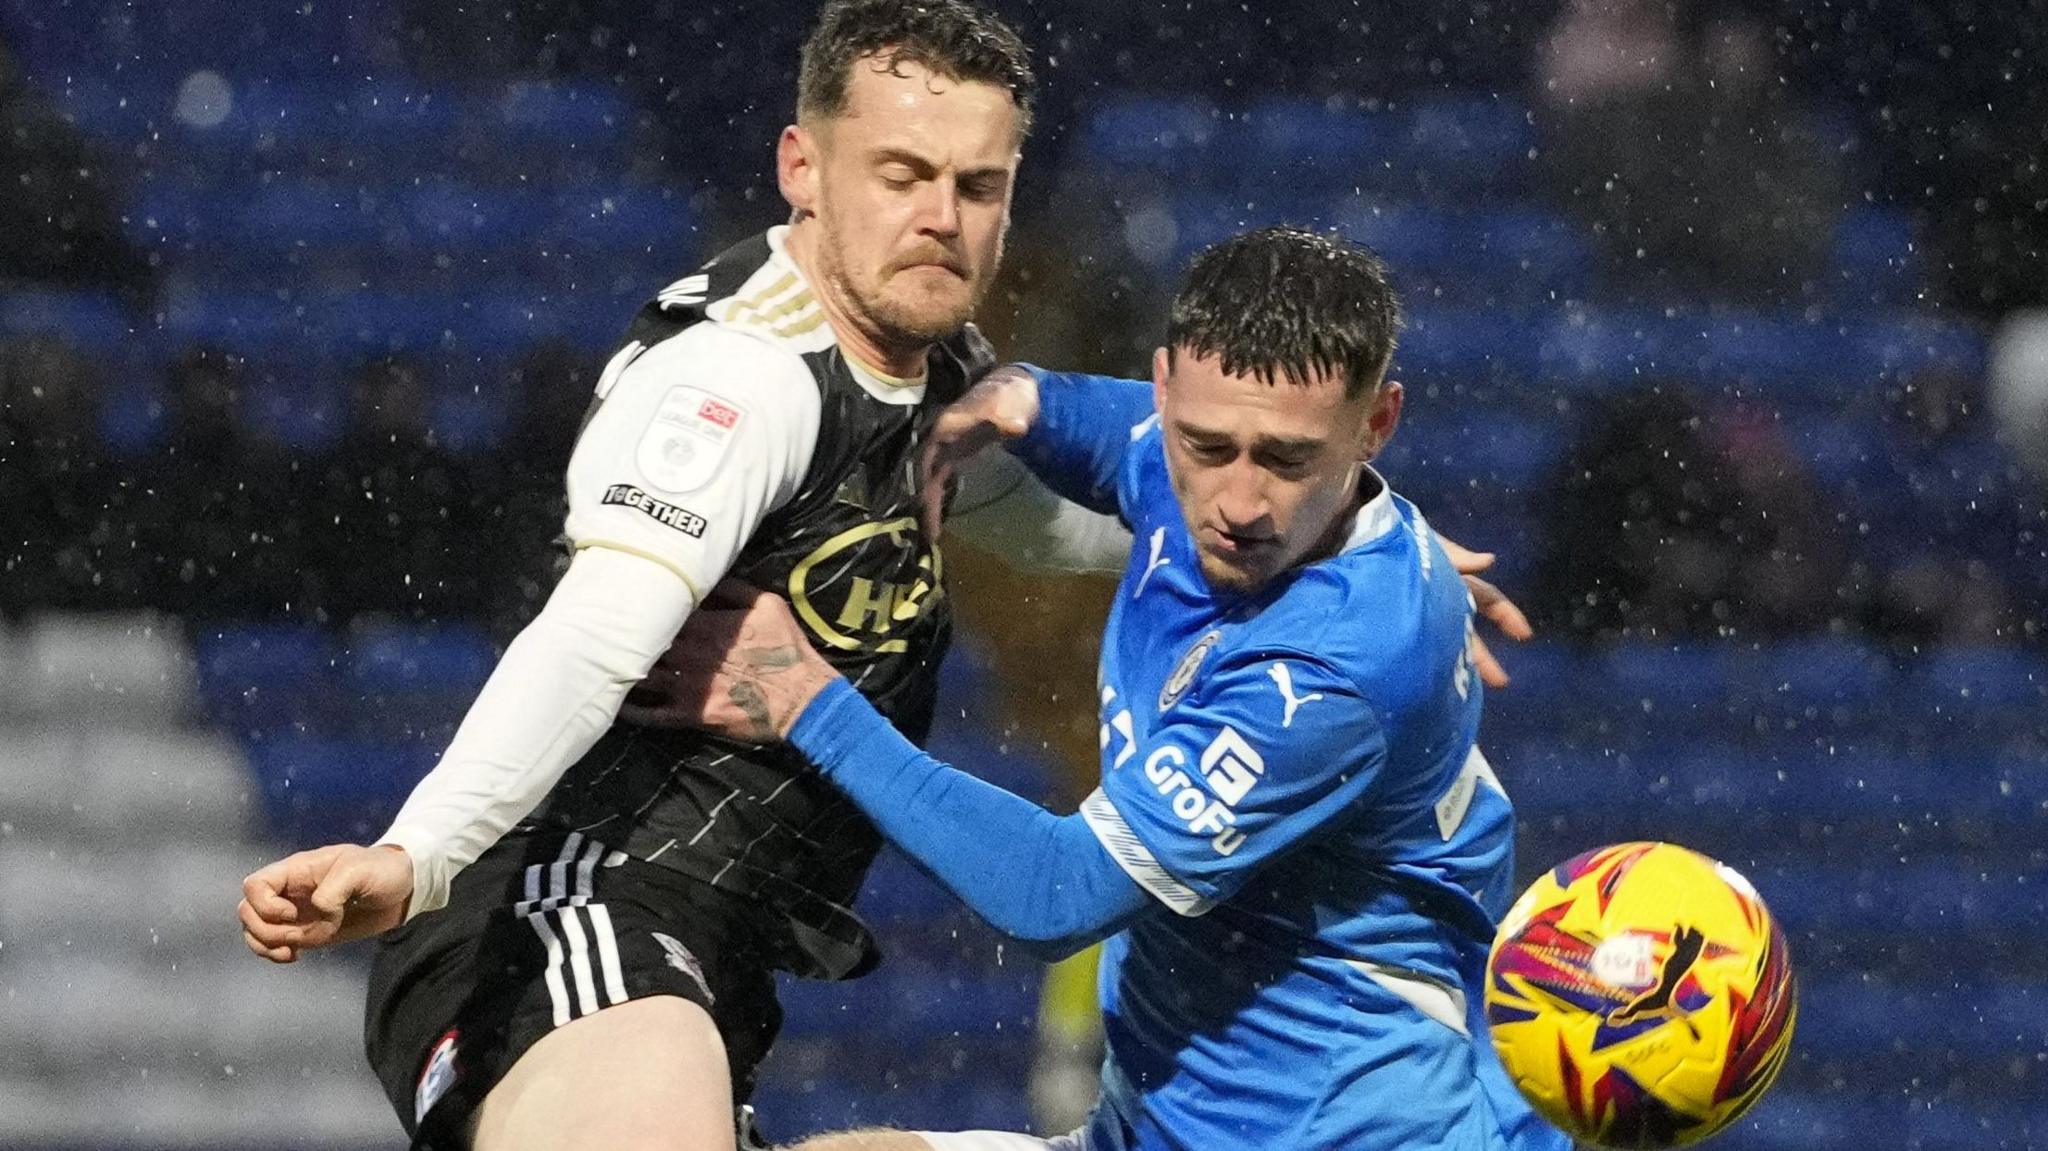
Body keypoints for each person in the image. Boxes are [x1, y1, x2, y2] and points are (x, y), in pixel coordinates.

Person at [238, 3, 1040, 1148]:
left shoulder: (941, 383)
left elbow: (1080, 527)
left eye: (977, 185)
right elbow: (592, 636)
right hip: (559, 905)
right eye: (901, 173)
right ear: (800, 169)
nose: (939, 217)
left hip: (702, 961)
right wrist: (415, 857)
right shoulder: (742, 377)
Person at [653, 227, 1569, 1151]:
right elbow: (1117, 438)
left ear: (1377, 424)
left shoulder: (1337, 671)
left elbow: (1057, 894)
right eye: (1206, 443)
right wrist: (1029, 397)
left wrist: (809, 701)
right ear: (1169, 388)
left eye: (1286, 459)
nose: (1238, 501)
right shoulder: (1201, 462)